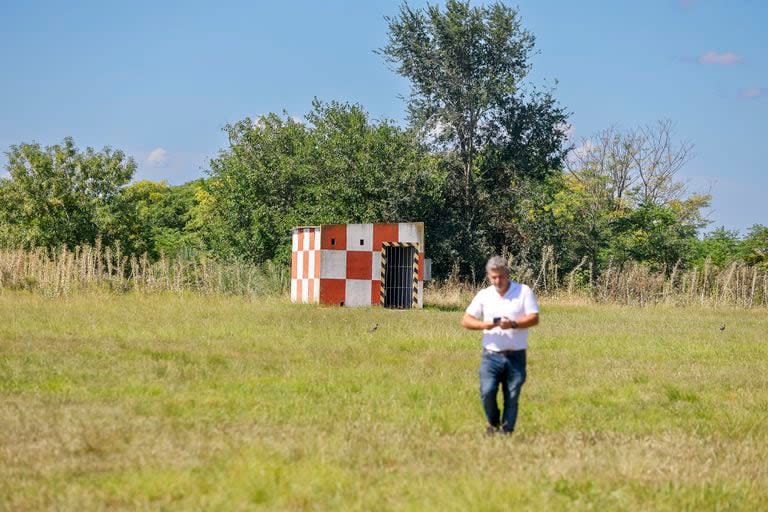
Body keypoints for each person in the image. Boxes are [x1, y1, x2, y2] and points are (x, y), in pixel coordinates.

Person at [461, 256, 540, 435]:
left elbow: (534, 318)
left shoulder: (523, 292)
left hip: (516, 355)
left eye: (501, 277)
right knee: (487, 391)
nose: (497, 281)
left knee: (512, 395)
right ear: (488, 276)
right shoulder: (484, 295)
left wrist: (513, 324)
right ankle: (493, 422)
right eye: (493, 277)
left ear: (508, 274)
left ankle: (507, 431)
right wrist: (484, 325)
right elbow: (466, 320)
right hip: (491, 355)